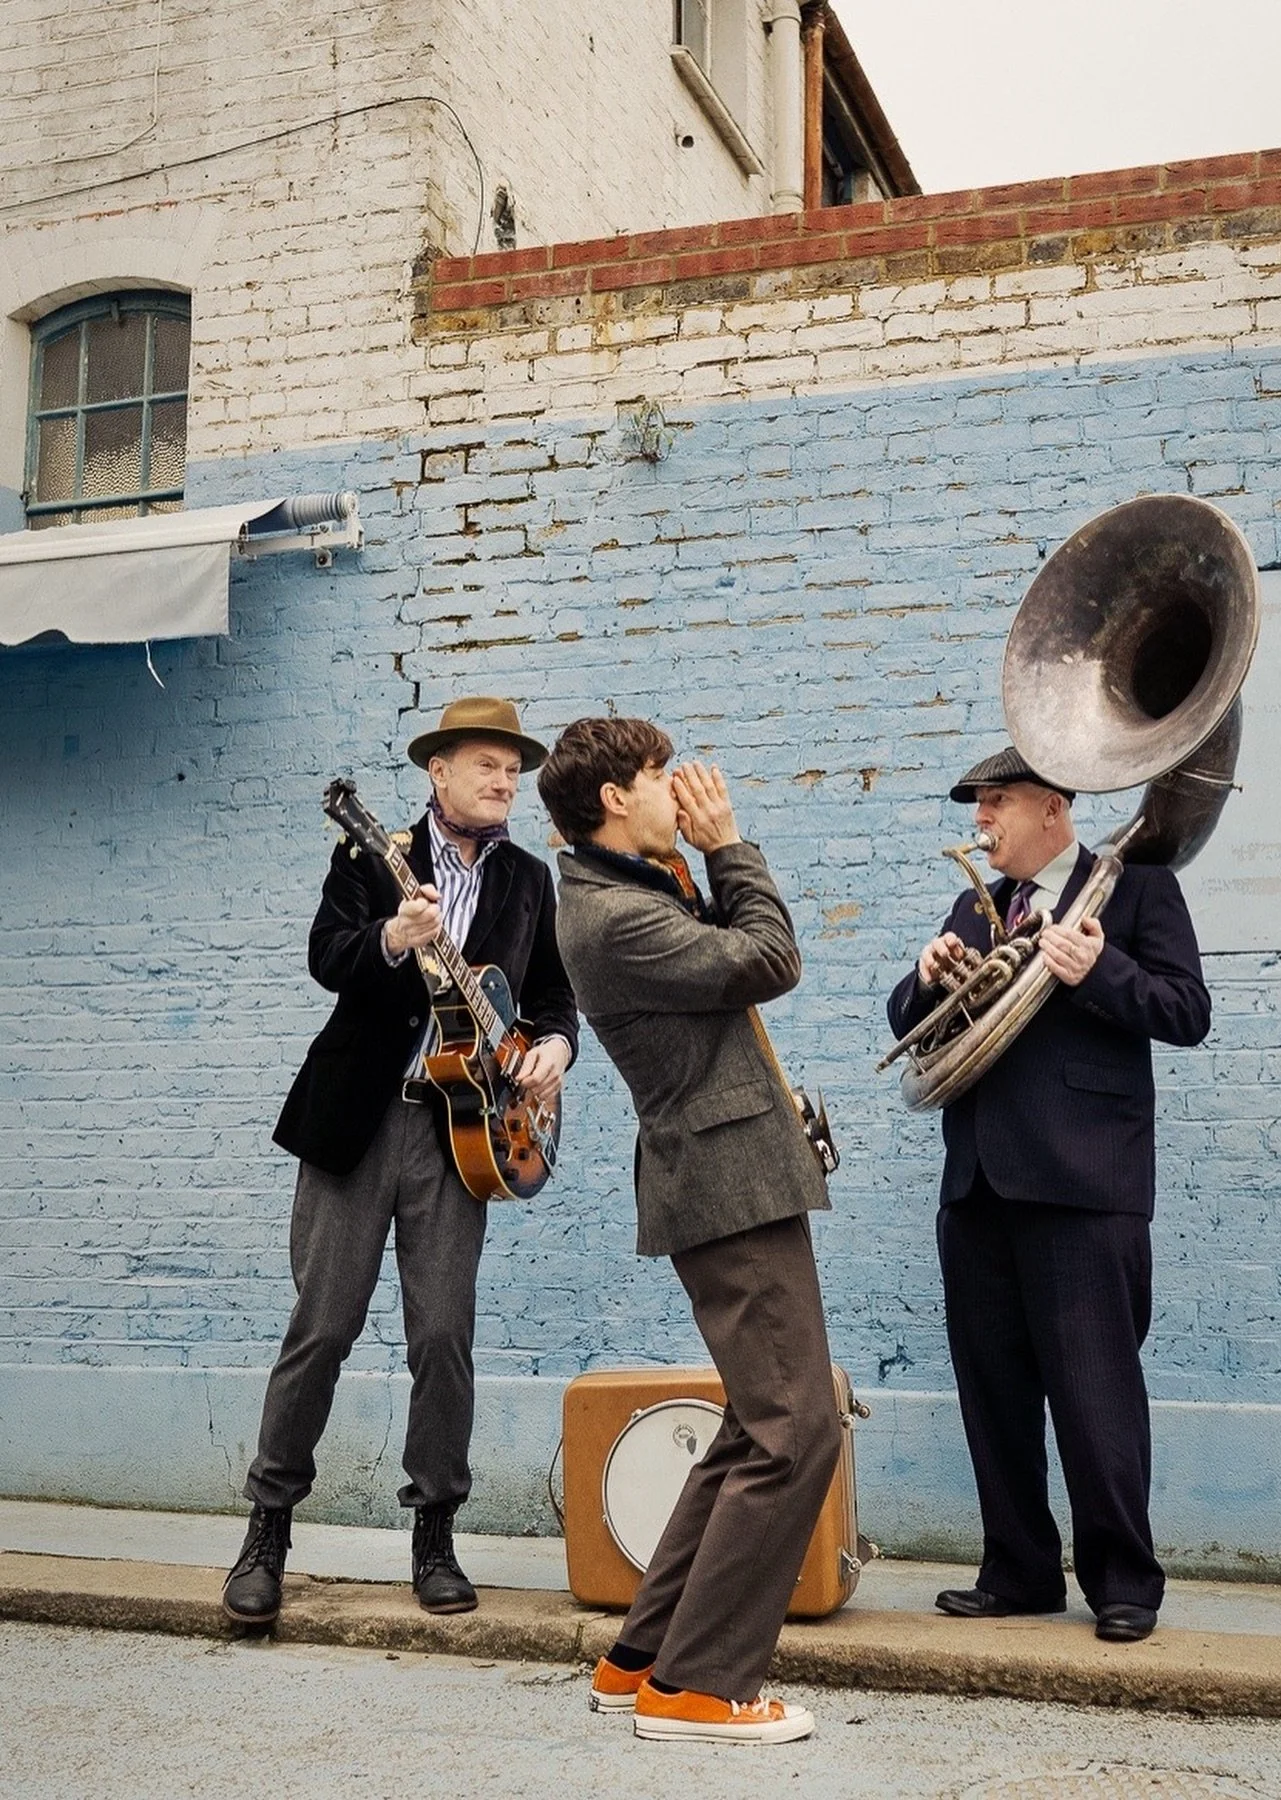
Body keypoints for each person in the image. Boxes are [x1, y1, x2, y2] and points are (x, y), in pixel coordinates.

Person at [222, 697, 578, 1625]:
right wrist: (394, 937)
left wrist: (553, 1051)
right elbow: (327, 957)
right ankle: (267, 1528)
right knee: (323, 1328)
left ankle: (435, 1537)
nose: (505, 783)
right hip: (359, 1122)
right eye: (487, 766)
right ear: (439, 774)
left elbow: (550, 996)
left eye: (513, 770)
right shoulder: (371, 857)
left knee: (442, 1338)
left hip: (463, 1134)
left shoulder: (530, 881)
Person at [537, 717, 839, 1746]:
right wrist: (727, 847)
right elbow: (769, 957)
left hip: (727, 1174)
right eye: (661, 775)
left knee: (758, 1422)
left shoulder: (621, 889)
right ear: (615, 798)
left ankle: (641, 1658)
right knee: (799, 1428)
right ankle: (701, 1687)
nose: (683, 789)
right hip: (727, 1185)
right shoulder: (614, 914)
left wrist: (695, 857)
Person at [887, 745, 1210, 1644]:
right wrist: (926, 977)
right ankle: (1018, 1570)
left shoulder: (1137, 891)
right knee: (992, 1390)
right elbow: (911, 1027)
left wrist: (1095, 970)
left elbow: (1186, 1011)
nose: (981, 821)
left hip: (1082, 1185)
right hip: (979, 1183)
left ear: (1051, 811)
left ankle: (1124, 1584)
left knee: (1095, 1387)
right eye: (980, 805)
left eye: (995, 803)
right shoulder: (974, 906)